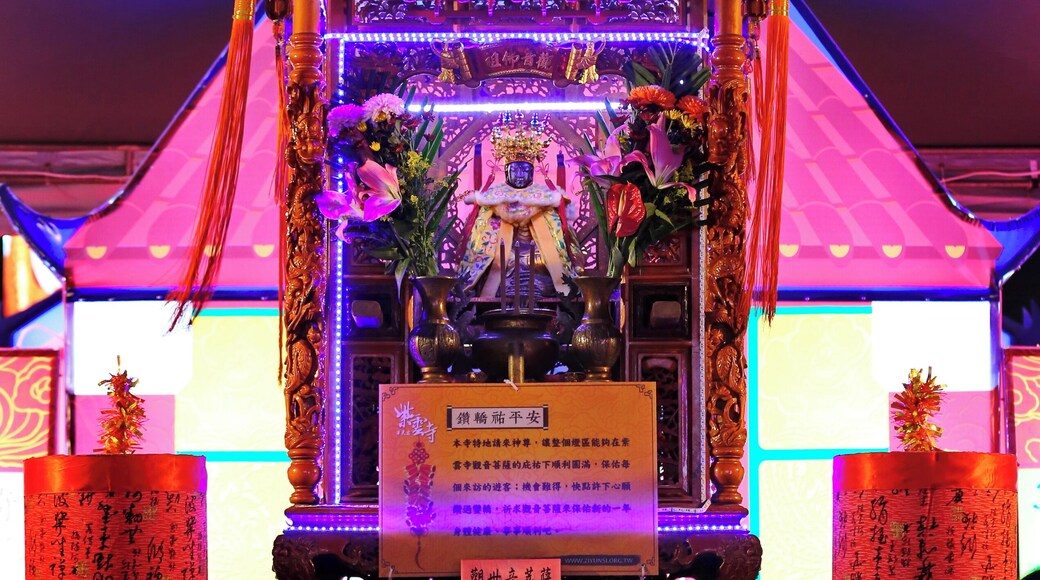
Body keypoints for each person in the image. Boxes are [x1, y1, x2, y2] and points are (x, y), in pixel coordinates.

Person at [458, 114, 577, 300]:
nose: (520, 174)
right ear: (506, 171)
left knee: (538, 263)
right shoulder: (493, 198)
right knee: (504, 264)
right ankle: (512, 286)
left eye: (525, 169)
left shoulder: (544, 198)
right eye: (515, 169)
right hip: (504, 258)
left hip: (536, 258)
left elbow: (556, 241)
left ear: (532, 171)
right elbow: (480, 239)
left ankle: (529, 285)